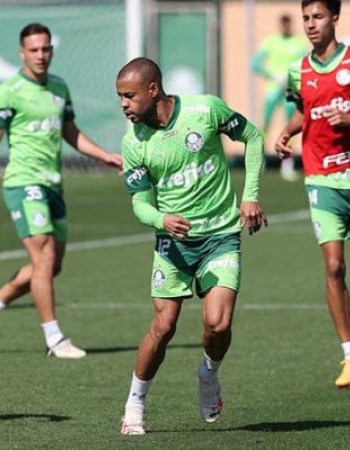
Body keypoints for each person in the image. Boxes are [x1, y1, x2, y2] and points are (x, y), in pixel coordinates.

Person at [116, 57, 267, 435]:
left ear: (153, 90)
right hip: (173, 244)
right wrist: (160, 220)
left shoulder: (205, 109)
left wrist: (249, 196)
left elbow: (253, 137)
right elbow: (138, 202)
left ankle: (208, 375)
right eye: (120, 97)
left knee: (217, 324)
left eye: (129, 96)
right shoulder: (133, 143)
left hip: (220, 235)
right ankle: (135, 403)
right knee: (163, 326)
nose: (124, 105)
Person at [0, 23, 122, 359]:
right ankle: (54, 339)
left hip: (53, 185)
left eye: (46, 48)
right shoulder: (8, 91)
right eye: (34, 49)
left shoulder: (59, 88)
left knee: (50, 266)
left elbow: (71, 132)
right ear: (21, 53)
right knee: (44, 256)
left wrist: (105, 155)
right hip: (23, 183)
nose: (41, 55)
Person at [275, 0, 350, 388]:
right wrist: (288, 131)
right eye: (306, 18)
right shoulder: (299, 70)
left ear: (335, 19)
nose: (311, 24)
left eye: (318, 17)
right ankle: (348, 354)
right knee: (334, 266)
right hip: (323, 178)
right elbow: (305, 110)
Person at [252, 13, 308, 182]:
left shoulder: (299, 43)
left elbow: (306, 63)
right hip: (273, 88)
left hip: (289, 89)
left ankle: (287, 164)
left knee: (291, 125)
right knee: (265, 124)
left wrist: (291, 77)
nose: (285, 27)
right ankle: (258, 161)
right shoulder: (270, 41)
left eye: (288, 24)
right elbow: (255, 64)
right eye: (283, 24)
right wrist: (272, 75)